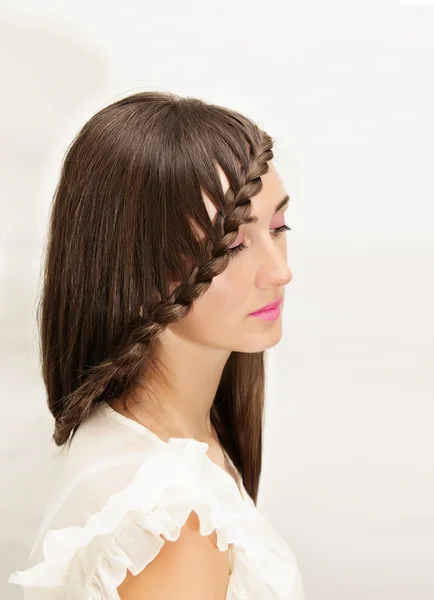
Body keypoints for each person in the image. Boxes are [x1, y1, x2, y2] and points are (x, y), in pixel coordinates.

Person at [8, 90, 304, 599]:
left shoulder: (146, 440)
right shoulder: (173, 524)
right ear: (136, 268)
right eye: (232, 244)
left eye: (278, 227)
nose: (280, 271)